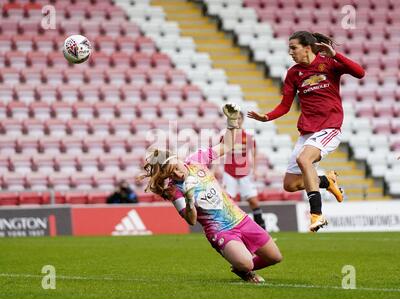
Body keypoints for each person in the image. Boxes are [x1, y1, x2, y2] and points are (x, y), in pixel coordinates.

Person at [139, 104, 282, 283]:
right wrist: (190, 199)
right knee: (247, 263)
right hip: (220, 231)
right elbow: (191, 220)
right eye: (170, 174)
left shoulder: (196, 160)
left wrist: (231, 122)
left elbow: (226, 145)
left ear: (177, 159)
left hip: (240, 219)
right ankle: (245, 271)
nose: (176, 174)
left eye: (175, 168)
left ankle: (241, 267)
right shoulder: (173, 190)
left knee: (275, 257)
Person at [248, 31, 365, 232]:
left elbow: (360, 72)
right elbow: (285, 106)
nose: (290, 52)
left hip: (329, 127)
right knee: (290, 184)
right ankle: (326, 181)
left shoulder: (328, 63)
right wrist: (266, 117)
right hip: (307, 132)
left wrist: (335, 55)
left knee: (304, 160)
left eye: (293, 48)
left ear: (307, 48)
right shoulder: (293, 73)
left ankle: (317, 214)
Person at [221, 111, 266, 229]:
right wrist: (215, 169)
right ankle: (228, 229)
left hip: (245, 172)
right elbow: (219, 152)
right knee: (228, 202)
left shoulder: (249, 136)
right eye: (235, 119)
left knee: (253, 201)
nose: (237, 121)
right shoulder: (226, 135)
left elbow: (254, 153)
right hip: (229, 172)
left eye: (239, 118)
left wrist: (255, 169)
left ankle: (262, 231)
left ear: (242, 120)